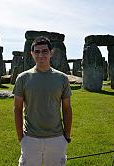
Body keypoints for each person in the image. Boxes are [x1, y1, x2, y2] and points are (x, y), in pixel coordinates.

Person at [13, 36, 72, 166]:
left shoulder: (62, 78)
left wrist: (66, 136)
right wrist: (20, 137)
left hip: (56, 138)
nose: (41, 55)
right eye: (37, 51)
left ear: (51, 53)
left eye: (45, 51)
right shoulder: (22, 78)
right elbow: (17, 108)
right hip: (30, 138)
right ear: (32, 54)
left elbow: (67, 108)